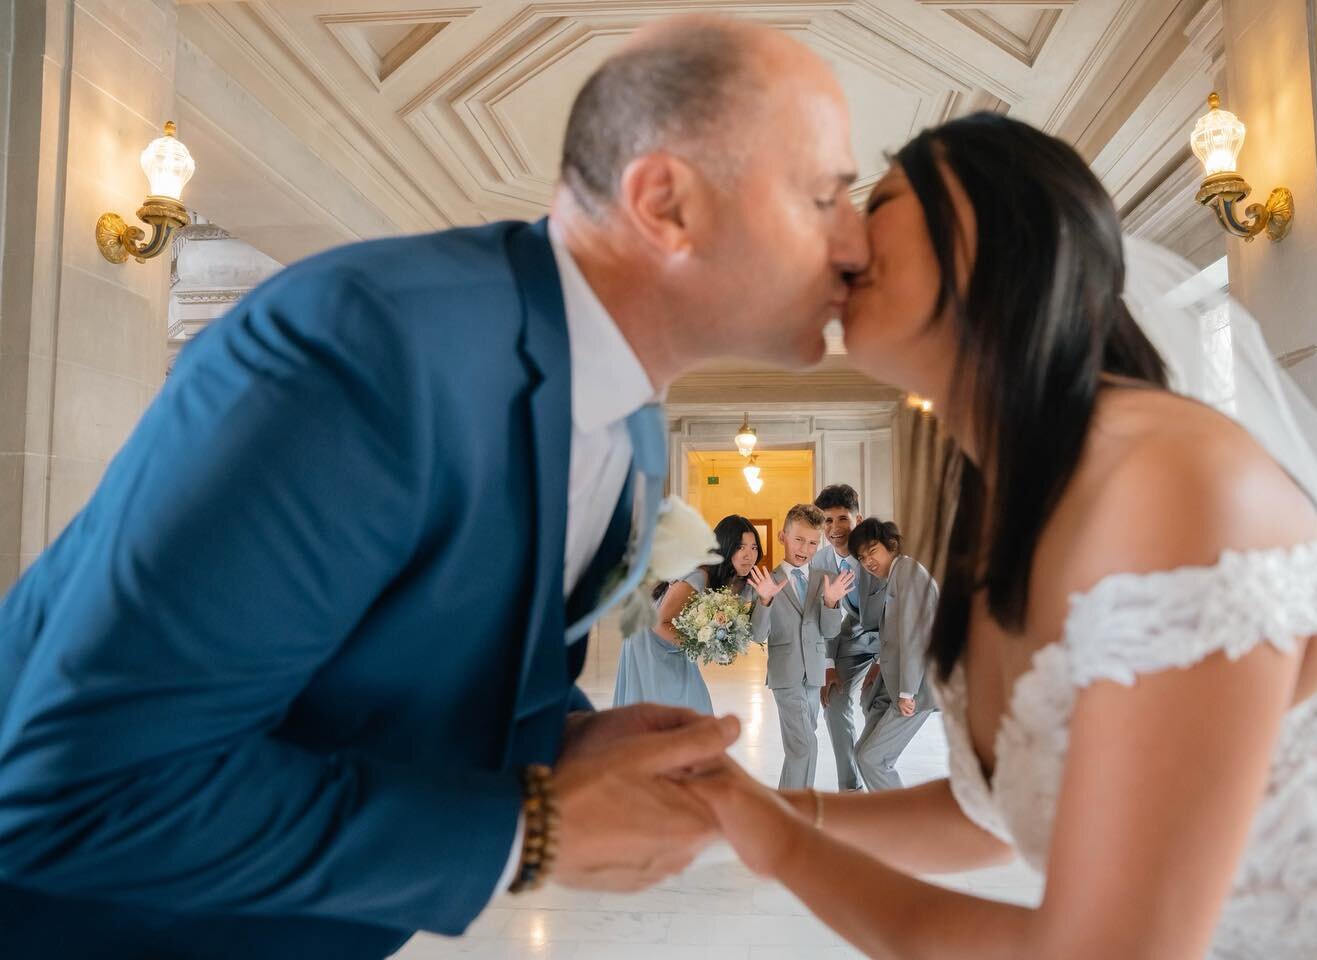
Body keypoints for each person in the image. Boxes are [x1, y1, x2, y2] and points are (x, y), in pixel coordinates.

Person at [0, 15, 868, 960]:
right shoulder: (368, 349)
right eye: (828, 197)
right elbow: (75, 791)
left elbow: (443, 658)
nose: (858, 245)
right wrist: (530, 829)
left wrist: (568, 744)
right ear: (667, 203)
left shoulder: (636, 422)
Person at [689, 112, 1317, 958]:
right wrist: (738, 807)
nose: (844, 236)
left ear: (994, 237)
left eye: (883, 197)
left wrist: (782, 847)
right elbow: (995, 815)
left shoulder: (1169, 485)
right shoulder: (1008, 502)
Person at [745, 503, 855, 789]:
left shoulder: (825, 581)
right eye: (798, 539)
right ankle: (796, 812)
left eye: (812, 543)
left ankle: (783, 806)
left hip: (814, 676)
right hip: (785, 673)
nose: (804, 549)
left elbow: (830, 632)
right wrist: (765, 601)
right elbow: (757, 634)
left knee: (799, 747)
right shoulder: (767, 581)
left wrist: (831, 603)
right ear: (783, 537)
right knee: (804, 746)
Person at [613, 515, 769, 713]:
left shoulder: (743, 583)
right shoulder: (699, 576)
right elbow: (659, 622)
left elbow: (756, 633)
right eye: (740, 547)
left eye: (753, 547)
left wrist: (766, 600)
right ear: (725, 547)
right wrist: (703, 647)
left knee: (693, 705)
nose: (749, 555)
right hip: (649, 640)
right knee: (663, 711)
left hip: (680, 643)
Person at [848, 519, 939, 792]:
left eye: (872, 551)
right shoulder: (899, 574)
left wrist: (907, 692)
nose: (868, 562)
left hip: (917, 688)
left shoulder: (908, 572)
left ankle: (904, 825)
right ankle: (888, 818)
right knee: (863, 753)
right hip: (898, 683)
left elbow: (914, 636)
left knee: (873, 759)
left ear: (892, 545)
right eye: (862, 558)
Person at [813, 484, 886, 791]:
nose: (835, 528)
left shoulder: (882, 555)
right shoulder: (820, 563)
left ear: (859, 518)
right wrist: (828, 663)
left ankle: (877, 772)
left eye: (843, 518)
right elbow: (825, 617)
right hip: (853, 633)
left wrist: (882, 661)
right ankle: (850, 788)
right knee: (833, 697)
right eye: (827, 521)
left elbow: (901, 615)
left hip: (892, 637)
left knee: (875, 701)